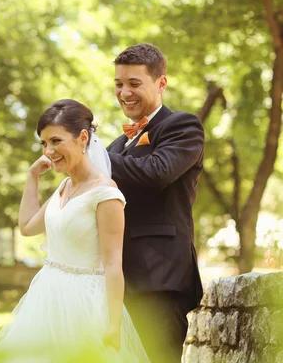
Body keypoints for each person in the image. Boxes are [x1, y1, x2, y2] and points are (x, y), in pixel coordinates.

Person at [0, 99, 149, 362]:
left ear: (83, 137)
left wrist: (113, 324)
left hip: (84, 304)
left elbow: (113, 265)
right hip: (46, 297)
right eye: (43, 143)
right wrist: (32, 177)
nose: (48, 151)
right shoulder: (64, 187)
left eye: (56, 141)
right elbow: (27, 227)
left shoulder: (106, 193)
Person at [107, 43, 204, 363]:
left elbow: (157, 172)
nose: (124, 93)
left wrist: (89, 156)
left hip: (159, 276)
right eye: (119, 84)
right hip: (115, 280)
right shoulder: (116, 146)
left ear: (161, 83)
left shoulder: (183, 125)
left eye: (134, 83)